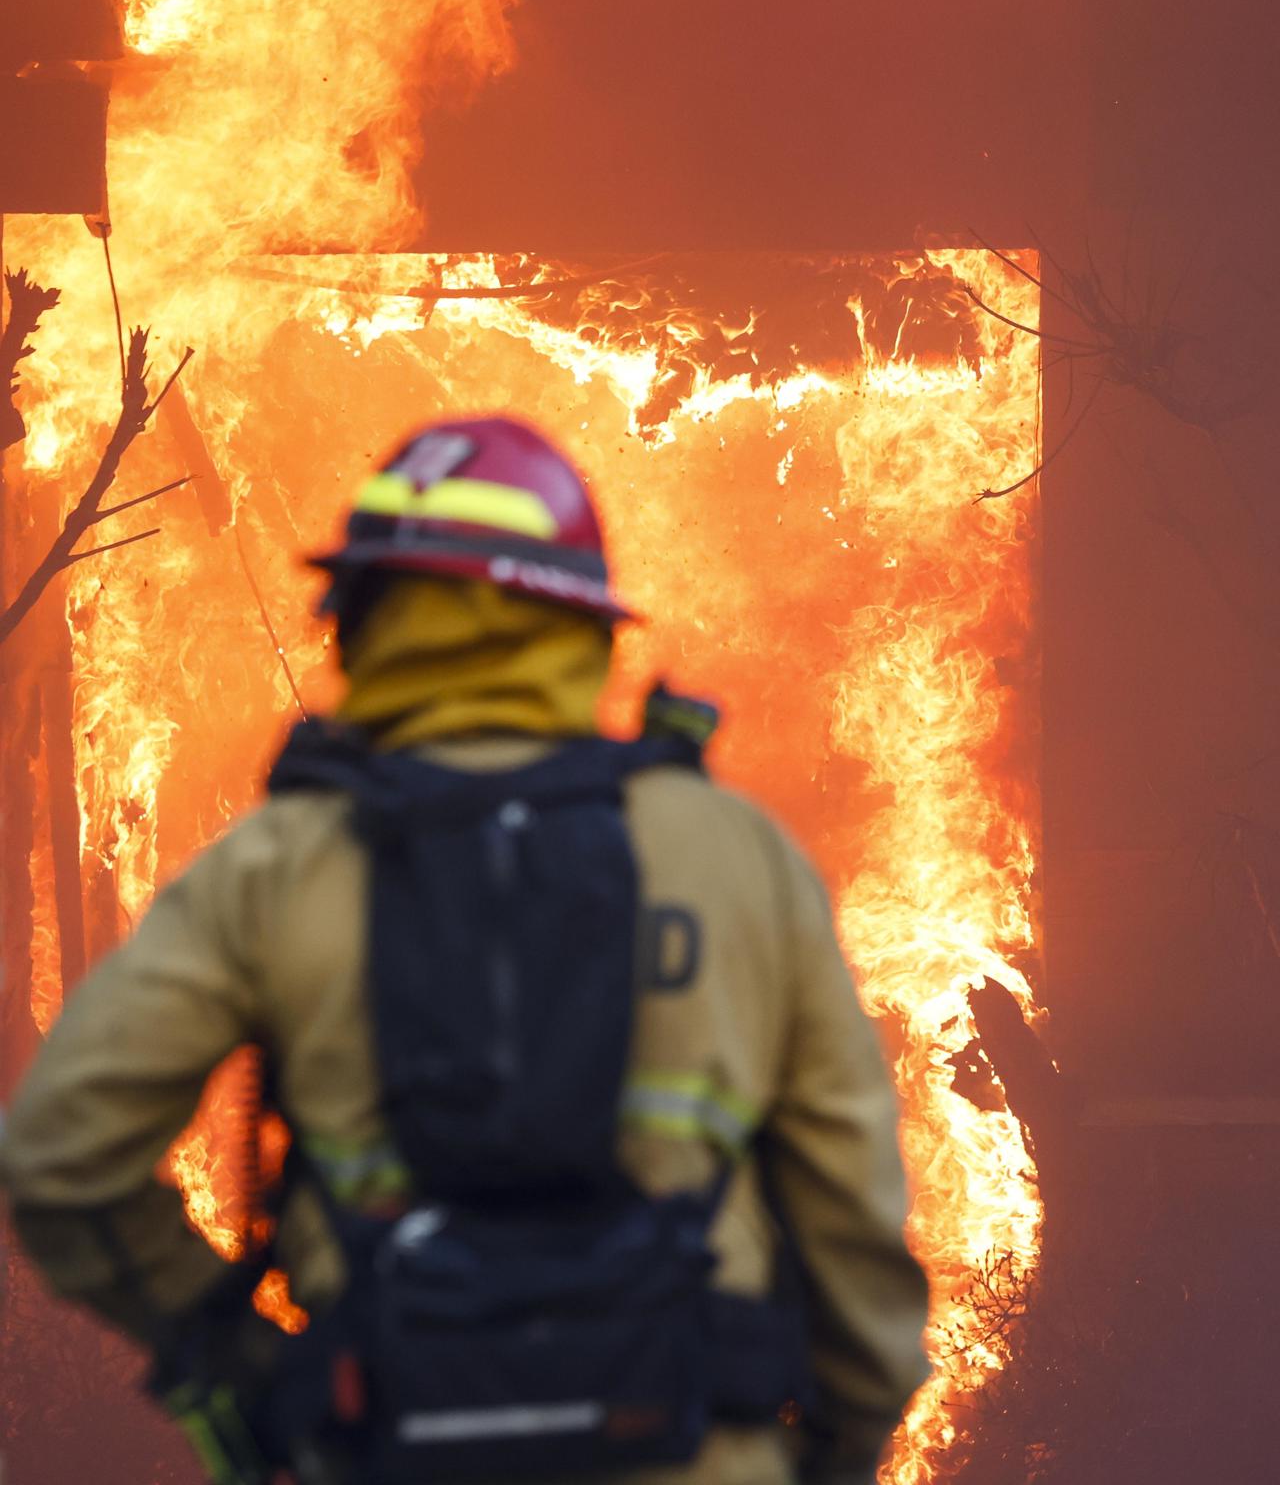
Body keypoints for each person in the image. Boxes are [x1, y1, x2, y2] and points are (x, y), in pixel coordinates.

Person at [0, 416, 929, 1485]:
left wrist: (244, 1368)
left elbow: (64, 1156)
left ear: (355, 620)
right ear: (580, 627)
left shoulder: (279, 863)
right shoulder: (729, 855)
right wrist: (828, 1450)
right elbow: (854, 1236)